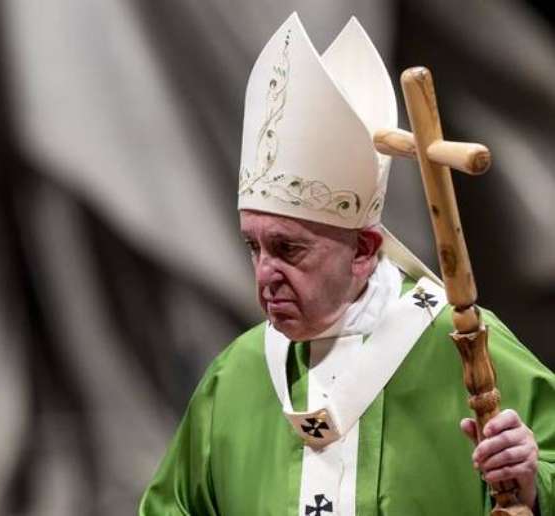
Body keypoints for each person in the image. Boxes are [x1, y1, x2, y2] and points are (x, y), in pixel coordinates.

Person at [139, 13, 555, 516]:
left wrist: (532, 484)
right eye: (254, 247)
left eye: (289, 249)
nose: (266, 273)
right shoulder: (239, 374)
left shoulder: (463, 344)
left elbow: (541, 477)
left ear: (363, 250)